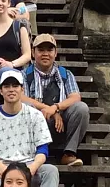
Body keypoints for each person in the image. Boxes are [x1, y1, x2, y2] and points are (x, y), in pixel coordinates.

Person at [22, 34, 89, 167]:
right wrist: (49, 110)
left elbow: (75, 97)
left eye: (49, 50)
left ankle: (69, 154)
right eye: (41, 50)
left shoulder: (65, 74)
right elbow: (22, 97)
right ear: (33, 53)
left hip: (61, 126)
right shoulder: (25, 74)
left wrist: (55, 107)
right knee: (26, 106)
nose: (45, 54)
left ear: (56, 53)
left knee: (81, 108)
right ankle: (35, 155)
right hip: (38, 123)